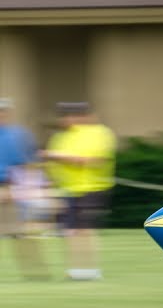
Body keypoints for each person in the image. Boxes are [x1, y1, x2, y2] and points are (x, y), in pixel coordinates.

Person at [42, 102, 116, 280]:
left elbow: (93, 159)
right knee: (71, 231)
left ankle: (91, 269)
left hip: (92, 188)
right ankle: (76, 269)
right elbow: (52, 163)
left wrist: (58, 156)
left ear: (83, 116)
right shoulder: (62, 136)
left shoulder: (100, 133)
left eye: (72, 115)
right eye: (64, 115)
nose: (67, 119)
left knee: (85, 229)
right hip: (69, 189)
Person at [0, 99, 47, 278]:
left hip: (14, 186)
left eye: (3, 111)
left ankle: (35, 270)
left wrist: (19, 188)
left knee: (21, 231)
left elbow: (30, 162)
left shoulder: (18, 134)